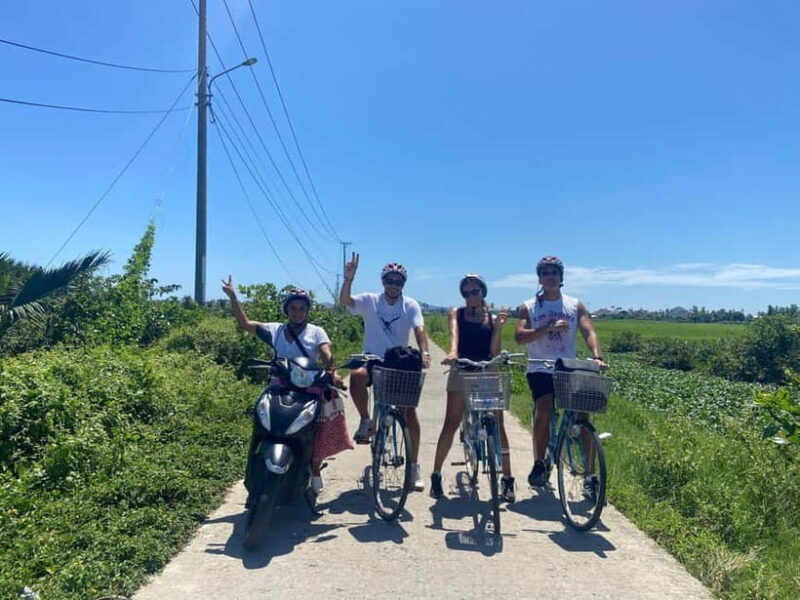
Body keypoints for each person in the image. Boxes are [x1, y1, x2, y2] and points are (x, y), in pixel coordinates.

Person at [222, 276, 344, 494]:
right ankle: (254, 465)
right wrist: (233, 296)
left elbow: (326, 353)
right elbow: (246, 324)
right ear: (286, 310)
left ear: (307, 311)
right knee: (262, 421)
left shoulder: (316, 331)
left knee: (317, 430)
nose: (297, 312)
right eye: (293, 308)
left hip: (309, 389)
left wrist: (332, 372)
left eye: (301, 308)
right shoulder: (275, 330)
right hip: (279, 386)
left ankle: (314, 469)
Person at [513, 256, 608, 490]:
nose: (550, 276)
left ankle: (590, 476)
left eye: (554, 272)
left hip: (568, 366)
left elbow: (588, 331)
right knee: (544, 408)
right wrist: (548, 327)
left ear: (561, 277)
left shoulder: (575, 305)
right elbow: (519, 337)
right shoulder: (529, 306)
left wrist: (597, 357)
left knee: (583, 415)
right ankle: (538, 462)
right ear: (539, 278)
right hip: (539, 366)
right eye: (545, 272)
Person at [339, 253, 431, 491]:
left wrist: (425, 352)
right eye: (390, 280)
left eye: (398, 281)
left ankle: (414, 466)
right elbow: (345, 301)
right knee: (358, 376)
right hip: (373, 359)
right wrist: (348, 278)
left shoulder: (410, 305)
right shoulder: (370, 300)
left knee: (409, 412)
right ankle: (366, 420)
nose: (393, 285)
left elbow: (420, 330)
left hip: (398, 362)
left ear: (403, 284)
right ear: (383, 282)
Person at [431, 274, 516, 502]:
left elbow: (495, 353)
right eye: (466, 293)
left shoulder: (493, 317)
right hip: (463, 368)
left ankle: (507, 479)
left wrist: (497, 329)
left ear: (483, 291)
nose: (471, 296)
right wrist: (452, 353)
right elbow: (454, 336)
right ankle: (436, 473)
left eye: (475, 291)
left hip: (487, 370)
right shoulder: (456, 313)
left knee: (499, 425)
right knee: (451, 421)